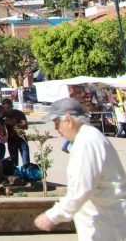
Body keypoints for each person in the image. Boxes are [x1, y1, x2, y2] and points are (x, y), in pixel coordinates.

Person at [34, 97, 126, 240]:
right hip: (102, 224)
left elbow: (81, 188)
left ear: (68, 120)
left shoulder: (86, 142)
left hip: (106, 226)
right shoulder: (88, 138)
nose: (56, 129)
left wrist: (52, 216)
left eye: (57, 123)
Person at [0, 98, 30, 166]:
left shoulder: (19, 113)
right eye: (4, 108)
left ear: (12, 106)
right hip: (11, 141)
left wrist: (15, 123)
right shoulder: (3, 116)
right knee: (14, 163)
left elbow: (25, 126)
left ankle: (26, 175)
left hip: (22, 139)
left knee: (26, 162)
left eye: (8, 107)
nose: (6, 109)